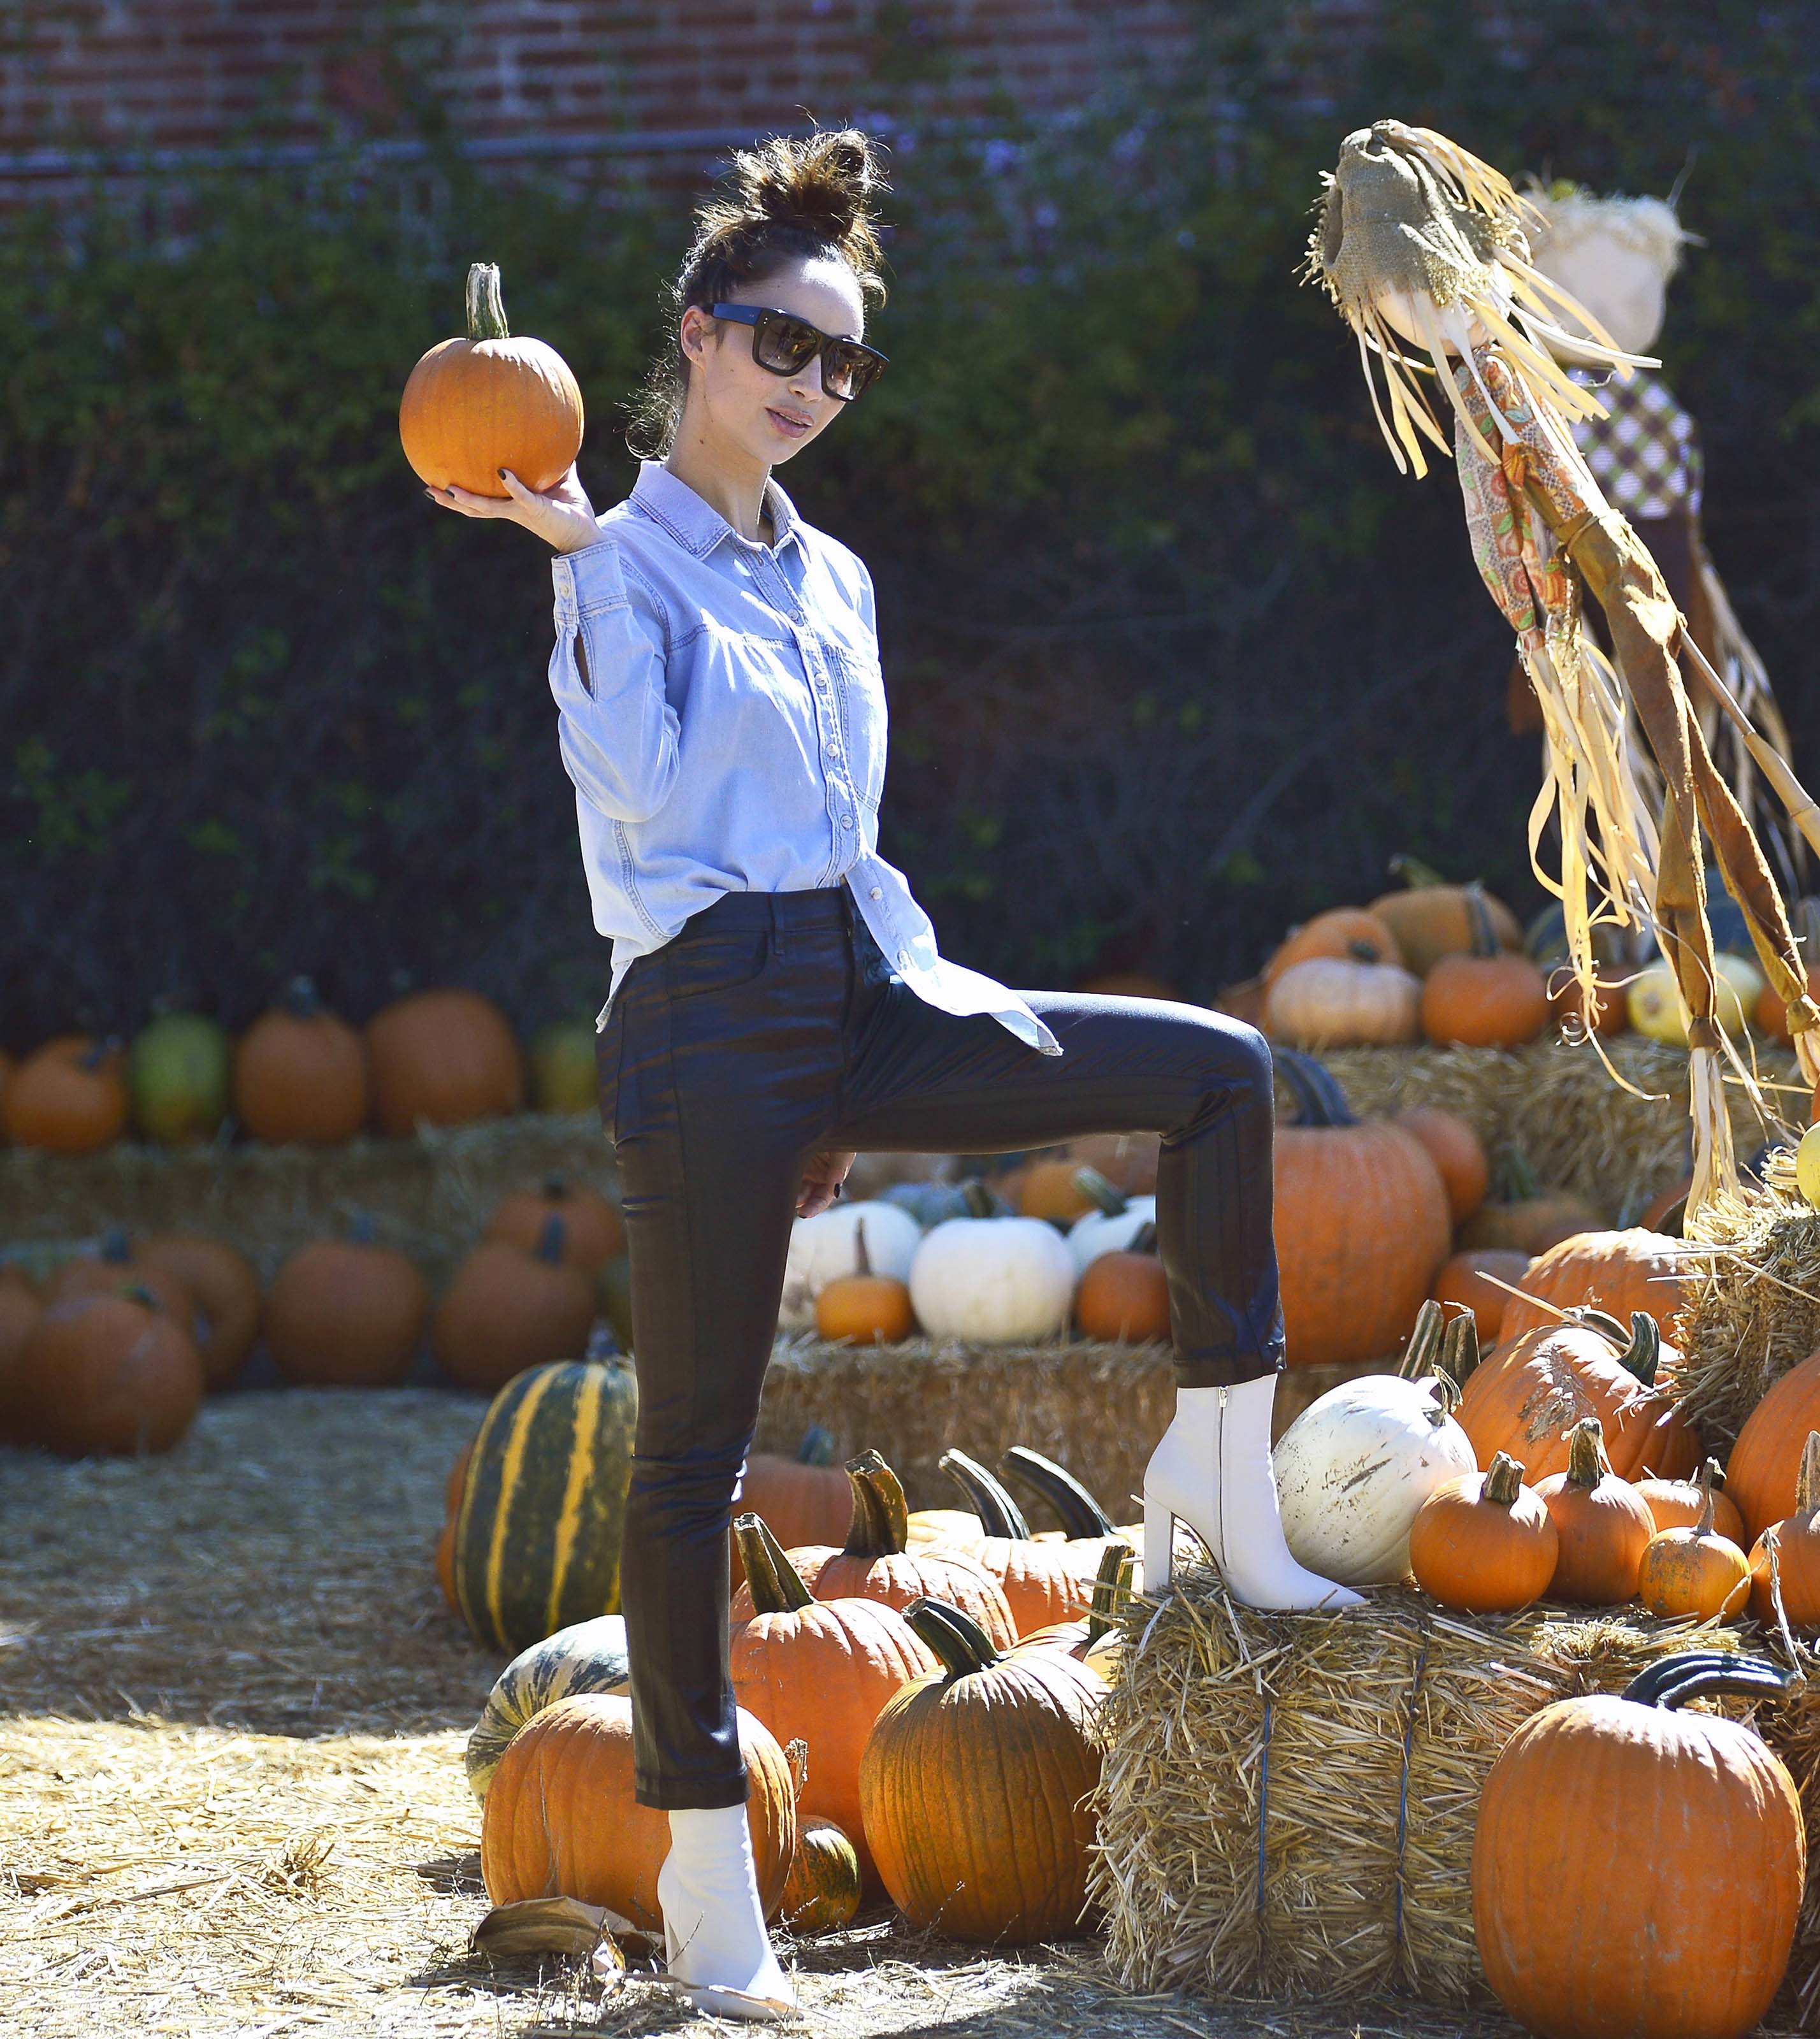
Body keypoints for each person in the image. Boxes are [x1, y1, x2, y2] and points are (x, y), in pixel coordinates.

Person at [428, 124, 1353, 2023]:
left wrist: (859, 1074)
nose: (810, 387)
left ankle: (1219, 1485)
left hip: (859, 989)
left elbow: (846, 839)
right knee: (690, 1458)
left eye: (841, 361)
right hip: (699, 1021)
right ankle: (704, 1893)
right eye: (780, 346)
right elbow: (647, 806)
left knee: (1220, 1077)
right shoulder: (620, 561)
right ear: (695, 337)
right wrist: (577, 564)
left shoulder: (836, 576)